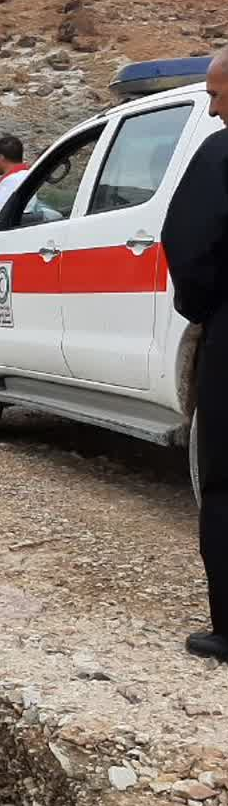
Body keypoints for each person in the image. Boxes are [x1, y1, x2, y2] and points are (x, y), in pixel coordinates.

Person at [161, 48, 228, 663]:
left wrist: (204, 309)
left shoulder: (220, 154)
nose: (211, 108)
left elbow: (187, 239)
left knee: (226, 480)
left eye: (216, 93)